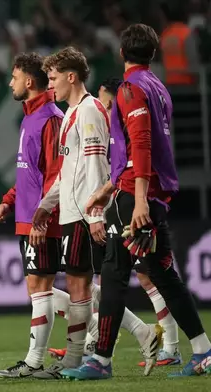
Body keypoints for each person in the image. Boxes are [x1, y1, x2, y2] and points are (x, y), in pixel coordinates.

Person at [63, 23, 211, 380]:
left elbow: (141, 145)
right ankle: (204, 350)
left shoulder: (130, 89)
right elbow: (142, 147)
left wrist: (138, 198)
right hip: (144, 191)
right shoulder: (160, 88)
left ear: (121, 53)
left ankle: (100, 361)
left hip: (137, 196)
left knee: (114, 272)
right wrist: (110, 187)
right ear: (154, 54)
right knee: (160, 272)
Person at [31, 46, 163, 378]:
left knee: (81, 288)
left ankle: (76, 360)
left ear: (71, 77)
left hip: (83, 214)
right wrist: (46, 206)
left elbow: (95, 166)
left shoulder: (89, 111)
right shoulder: (72, 114)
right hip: (71, 212)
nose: (50, 86)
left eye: (53, 79)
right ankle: (139, 334)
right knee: (85, 288)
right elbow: (68, 171)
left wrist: (94, 216)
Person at [0, 52, 65, 378]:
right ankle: (125, 323)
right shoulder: (31, 117)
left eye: (14, 76)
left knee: (39, 286)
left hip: (40, 218)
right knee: (37, 288)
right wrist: (9, 201)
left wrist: (42, 217)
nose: (11, 82)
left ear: (29, 81)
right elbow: (29, 173)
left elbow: (54, 174)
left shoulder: (49, 118)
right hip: (27, 215)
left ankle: (33, 361)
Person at [98, 78, 182, 368]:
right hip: (126, 200)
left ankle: (172, 346)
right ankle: (174, 346)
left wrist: (136, 199)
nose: (105, 109)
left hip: (136, 200)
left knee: (138, 276)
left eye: (107, 103)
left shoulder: (128, 117)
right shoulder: (117, 127)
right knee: (144, 277)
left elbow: (135, 159)